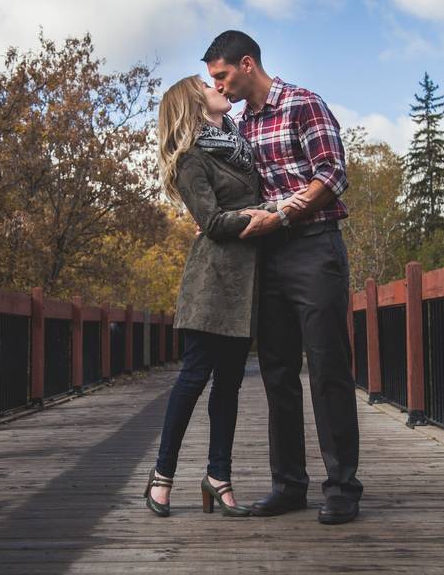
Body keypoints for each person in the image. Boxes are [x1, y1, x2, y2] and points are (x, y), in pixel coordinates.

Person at [202, 30, 363, 524]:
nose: (220, 86)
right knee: (277, 373)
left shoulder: (302, 104)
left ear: (247, 64)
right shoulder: (238, 127)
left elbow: (332, 174)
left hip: (315, 249)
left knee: (328, 369)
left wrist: (284, 216)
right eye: (213, 80)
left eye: (222, 75)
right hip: (266, 258)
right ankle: (289, 485)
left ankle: (341, 488)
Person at [145, 75, 303, 518]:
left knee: (230, 384)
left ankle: (218, 477)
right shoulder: (192, 159)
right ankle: (161, 476)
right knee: (193, 378)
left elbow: (250, 198)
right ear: (197, 105)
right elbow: (212, 221)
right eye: (208, 86)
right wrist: (269, 212)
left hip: (246, 282)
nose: (219, 87)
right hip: (212, 282)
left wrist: (270, 206)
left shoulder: (239, 146)